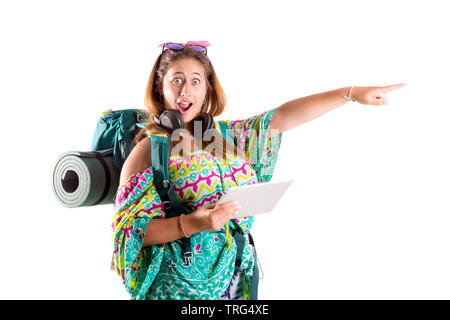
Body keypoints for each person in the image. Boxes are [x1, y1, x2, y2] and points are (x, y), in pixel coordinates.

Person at [111, 40, 405, 300]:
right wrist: (192, 224)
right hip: (178, 291)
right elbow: (125, 234)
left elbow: (281, 117)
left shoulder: (223, 138)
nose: (186, 90)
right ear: (160, 88)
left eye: (195, 80)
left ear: (207, 88)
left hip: (236, 282)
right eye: (176, 80)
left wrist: (350, 93)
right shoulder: (151, 149)